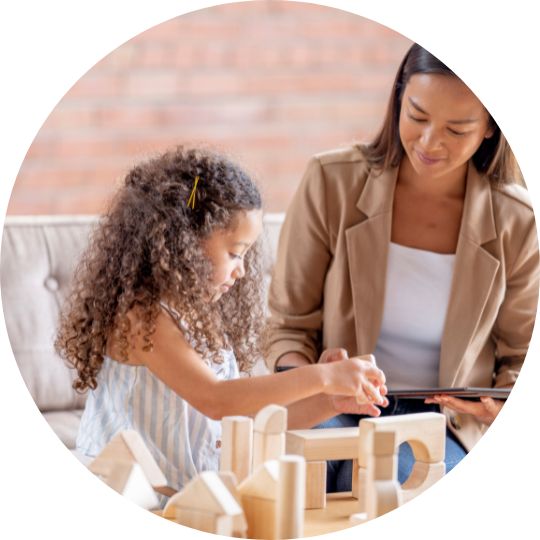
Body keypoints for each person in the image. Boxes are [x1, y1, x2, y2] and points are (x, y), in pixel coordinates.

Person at [266, 43, 539, 491]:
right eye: (416, 116)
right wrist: (317, 377)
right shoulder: (331, 181)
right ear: (398, 100)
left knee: (385, 482)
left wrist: (497, 407)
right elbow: (286, 327)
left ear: (491, 128)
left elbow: (521, 359)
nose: (431, 142)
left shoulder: (517, 221)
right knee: (291, 475)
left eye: (457, 129)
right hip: (331, 403)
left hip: (440, 423)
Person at [55, 146, 388, 496]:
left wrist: (328, 400)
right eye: (234, 253)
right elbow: (216, 400)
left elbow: (241, 422)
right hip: (132, 495)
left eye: (245, 254)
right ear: (183, 241)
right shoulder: (141, 318)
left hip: (192, 496)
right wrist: (321, 375)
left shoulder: (201, 318)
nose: (242, 270)